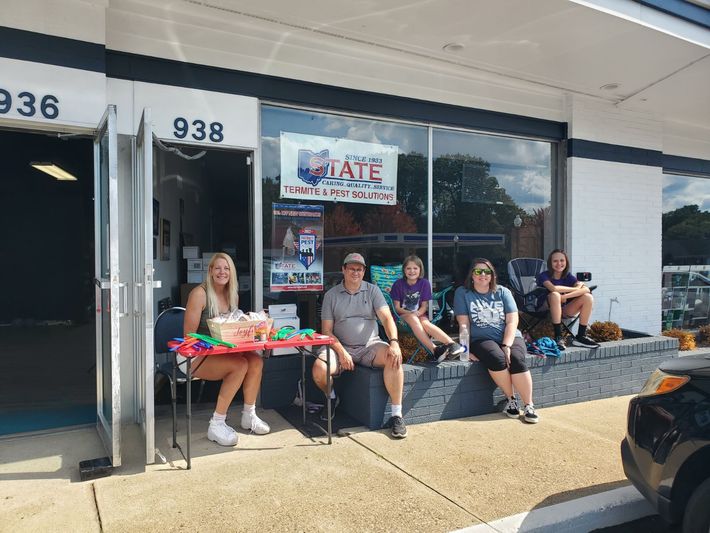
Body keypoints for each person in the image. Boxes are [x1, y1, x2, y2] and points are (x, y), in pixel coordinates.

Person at [313, 252, 408, 438]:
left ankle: (397, 415)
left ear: (364, 272)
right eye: (351, 268)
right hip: (339, 346)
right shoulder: (331, 295)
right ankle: (331, 397)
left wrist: (394, 343)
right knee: (319, 369)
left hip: (369, 346)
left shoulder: (373, 290)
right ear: (343, 270)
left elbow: (387, 318)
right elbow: (326, 331)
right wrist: (341, 352)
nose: (355, 272)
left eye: (359, 269)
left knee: (393, 357)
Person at [183, 252, 270, 447]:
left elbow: (233, 331)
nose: (222, 272)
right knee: (239, 365)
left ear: (231, 272)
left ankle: (249, 415)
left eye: (227, 268)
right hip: (195, 357)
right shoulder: (199, 294)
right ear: (210, 271)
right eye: (218, 268)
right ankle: (216, 424)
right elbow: (189, 337)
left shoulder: (233, 295)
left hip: (224, 354)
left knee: (256, 360)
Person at [454, 258, 539, 424]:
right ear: (472, 275)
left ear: (492, 275)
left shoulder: (503, 292)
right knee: (497, 358)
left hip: (510, 335)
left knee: (516, 359)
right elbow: (463, 323)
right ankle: (511, 400)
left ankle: (529, 405)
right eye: (478, 271)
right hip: (482, 339)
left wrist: (506, 345)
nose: (483, 275)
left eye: (487, 271)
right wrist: (465, 350)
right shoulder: (462, 293)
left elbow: (512, 322)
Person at [390, 255, 464, 362]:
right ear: (404, 270)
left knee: (426, 323)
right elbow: (397, 308)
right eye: (408, 268)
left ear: (420, 270)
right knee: (413, 318)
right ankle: (434, 349)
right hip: (401, 316)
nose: (412, 271)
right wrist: (411, 314)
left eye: (415, 268)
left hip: (419, 314)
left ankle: (452, 344)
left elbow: (424, 306)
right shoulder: (398, 284)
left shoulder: (424, 283)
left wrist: (418, 313)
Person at [536, 249, 600, 350]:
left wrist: (564, 297)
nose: (559, 263)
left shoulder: (568, 276)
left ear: (566, 262)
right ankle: (558, 336)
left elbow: (586, 289)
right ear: (550, 263)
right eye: (555, 261)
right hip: (544, 309)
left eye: (562, 260)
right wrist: (575, 289)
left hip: (563, 310)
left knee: (588, 297)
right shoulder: (544, 275)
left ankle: (580, 336)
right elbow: (554, 288)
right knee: (555, 295)